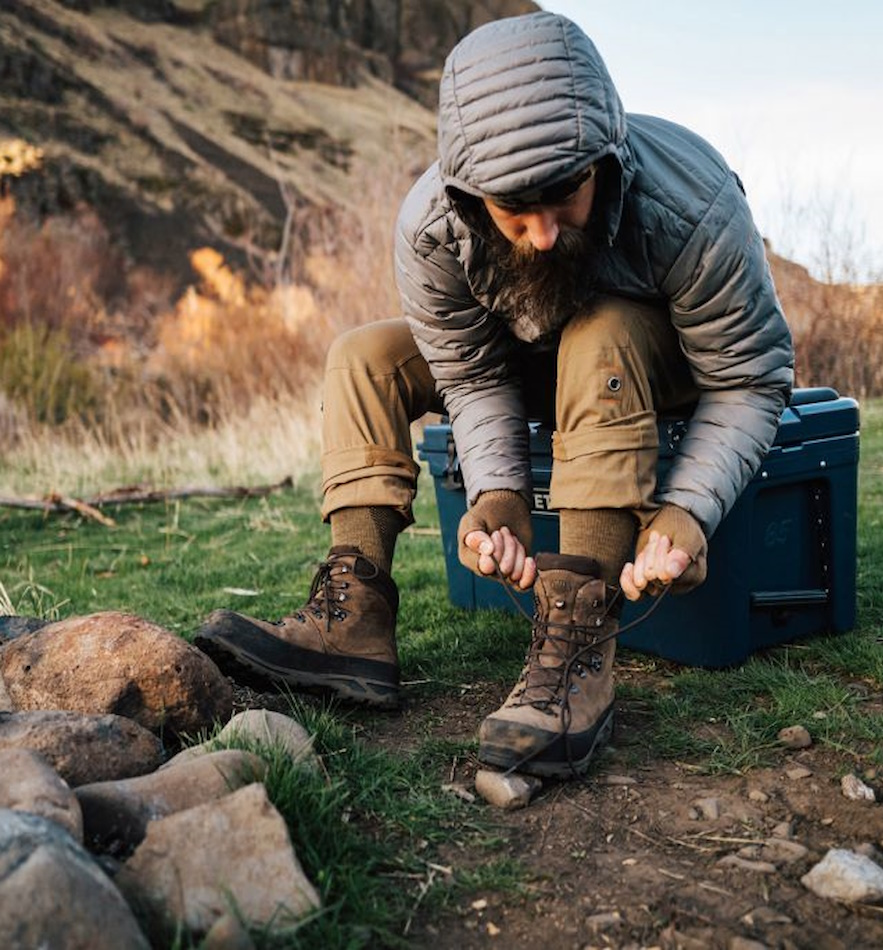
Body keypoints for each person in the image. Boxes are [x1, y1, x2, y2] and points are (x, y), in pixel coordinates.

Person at [196, 11, 794, 779]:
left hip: (652, 367)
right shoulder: (431, 231)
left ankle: (578, 647)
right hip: (530, 356)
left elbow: (749, 376)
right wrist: (500, 495)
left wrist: (689, 508)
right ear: (471, 196)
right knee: (364, 356)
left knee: (599, 330)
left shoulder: (692, 203)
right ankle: (355, 625)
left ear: (603, 158)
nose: (545, 234)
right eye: (518, 211)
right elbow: (473, 376)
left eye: (567, 197)